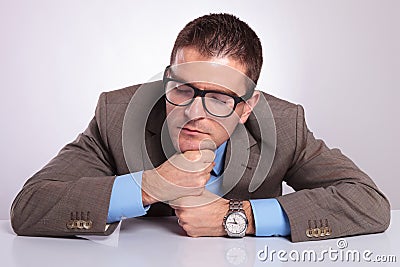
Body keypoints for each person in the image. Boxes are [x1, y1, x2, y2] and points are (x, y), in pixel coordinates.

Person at [10, 13, 390, 242]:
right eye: (183, 89)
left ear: (248, 107)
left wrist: (239, 218)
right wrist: (149, 186)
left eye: (222, 98)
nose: (196, 112)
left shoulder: (285, 125)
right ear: (166, 81)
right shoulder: (117, 114)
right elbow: (28, 209)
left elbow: (369, 205)